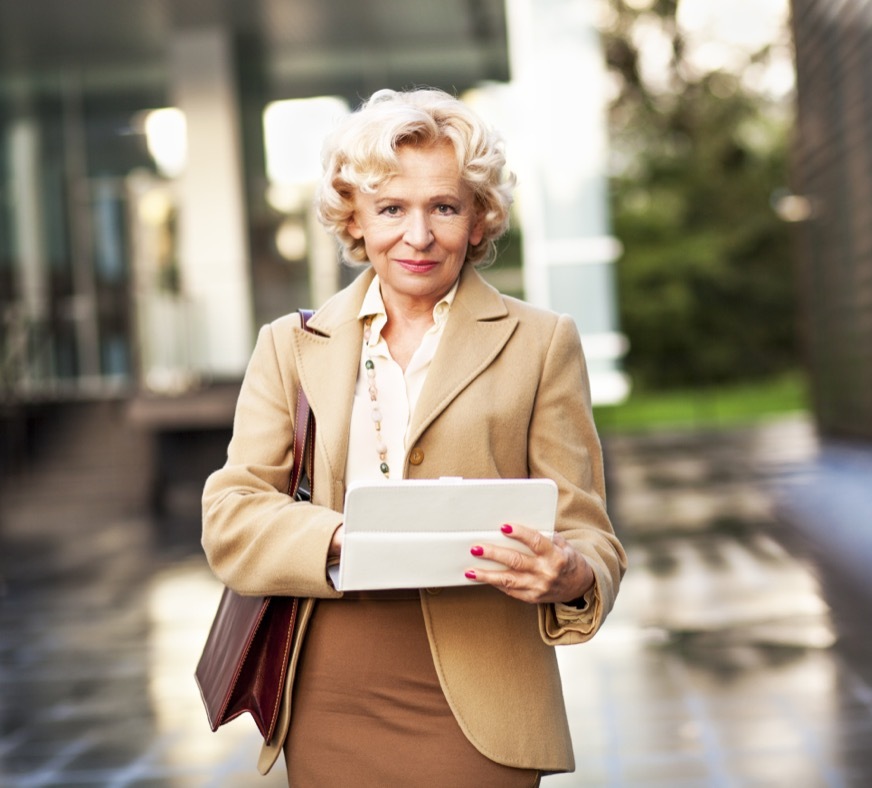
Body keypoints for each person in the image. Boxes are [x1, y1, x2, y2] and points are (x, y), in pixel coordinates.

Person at [201, 88, 626, 785]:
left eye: (445, 207)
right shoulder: (290, 346)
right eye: (392, 208)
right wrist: (345, 536)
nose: (419, 236)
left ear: (479, 218)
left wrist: (574, 575)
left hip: (485, 697)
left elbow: (591, 534)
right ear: (355, 218)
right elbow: (231, 515)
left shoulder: (542, 343)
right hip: (329, 694)